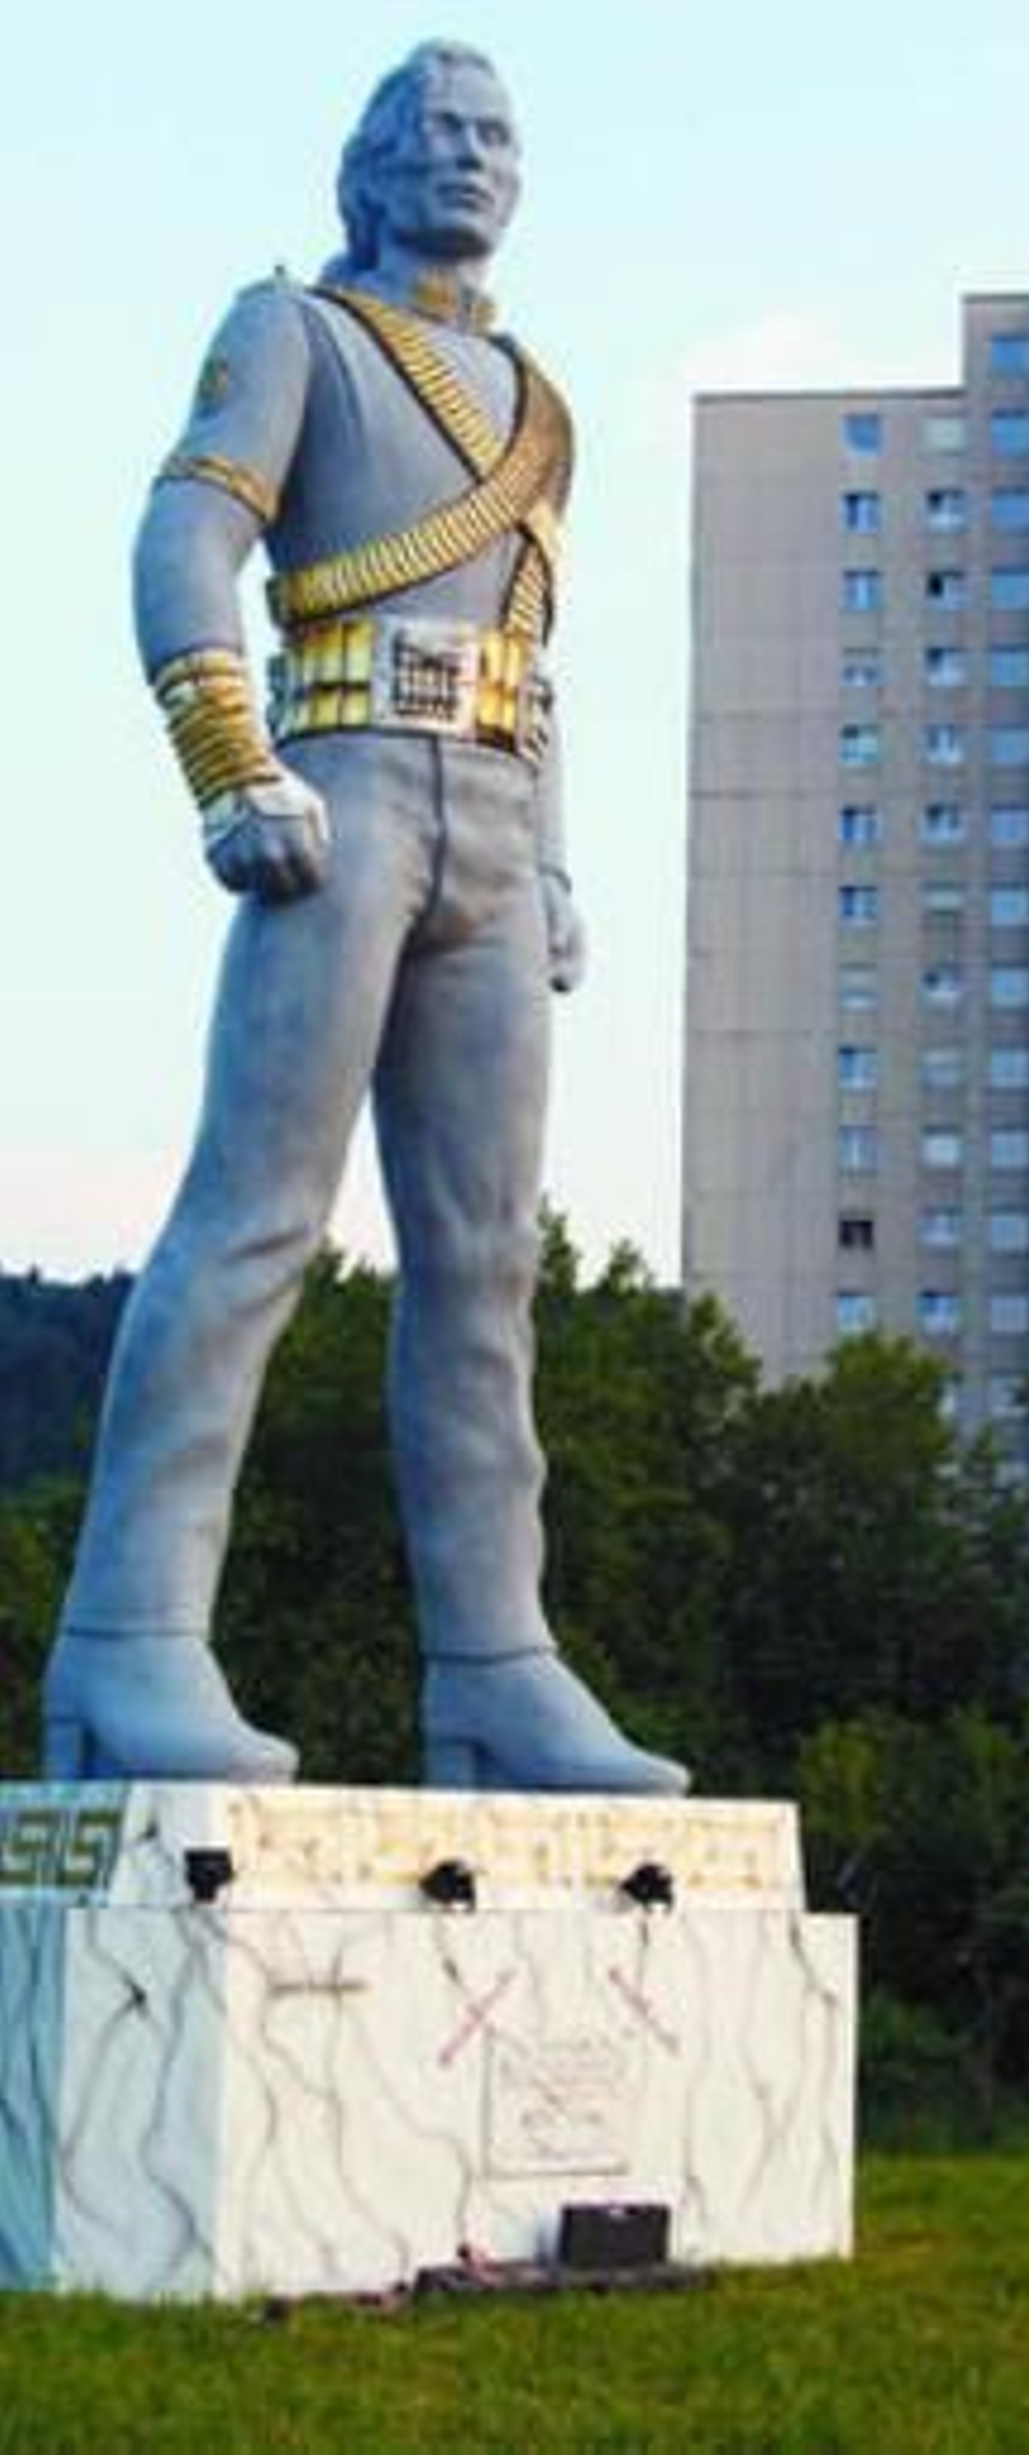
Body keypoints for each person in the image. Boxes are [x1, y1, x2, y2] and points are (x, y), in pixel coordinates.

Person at [41, 42, 686, 1797]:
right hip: (339, 786)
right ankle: (127, 1643)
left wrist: (549, 856)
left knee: (488, 1270)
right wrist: (224, 757)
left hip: (493, 806)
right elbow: (187, 535)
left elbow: (529, 646)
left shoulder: (541, 402)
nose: (470, 159)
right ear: (374, 165)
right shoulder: (295, 333)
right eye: (439, 133)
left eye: (498, 137)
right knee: (257, 1219)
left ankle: (497, 1666)